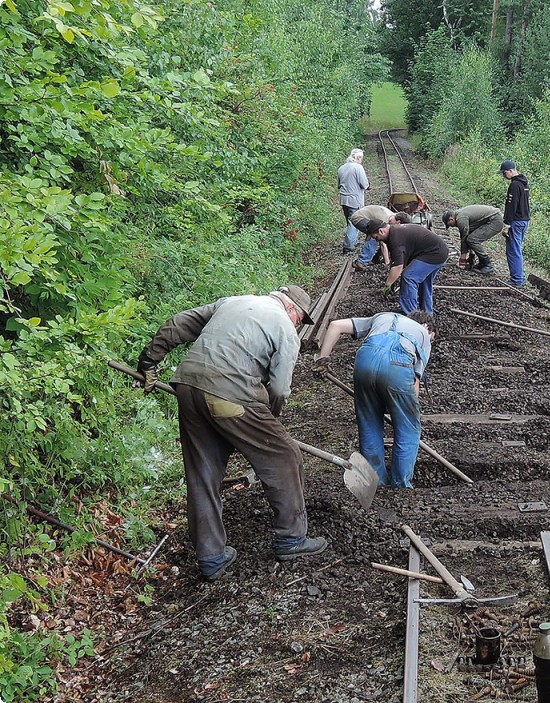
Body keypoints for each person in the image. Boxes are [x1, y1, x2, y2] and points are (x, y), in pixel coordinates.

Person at [135, 286, 326, 581]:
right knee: (285, 457)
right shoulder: (286, 329)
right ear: (292, 310)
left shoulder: (232, 302)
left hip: (188, 387)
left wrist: (149, 361)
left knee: (203, 473)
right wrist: (266, 424)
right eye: (301, 318)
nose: (298, 324)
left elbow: (179, 324)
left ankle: (211, 558)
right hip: (231, 394)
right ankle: (292, 539)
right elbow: (279, 389)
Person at [313, 311, 436, 488]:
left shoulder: (382, 316)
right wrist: (402, 410)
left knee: (369, 421)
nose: (430, 341)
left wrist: (322, 359)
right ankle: (400, 485)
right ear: (427, 328)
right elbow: (414, 384)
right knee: (408, 427)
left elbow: (335, 326)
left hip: (365, 358)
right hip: (398, 365)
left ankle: (375, 480)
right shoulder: (423, 334)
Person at [363, 219, 448, 315]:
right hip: (439, 251)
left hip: (433, 254)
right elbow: (395, 262)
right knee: (424, 283)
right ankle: (427, 315)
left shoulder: (395, 238)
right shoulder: (394, 232)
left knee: (408, 277)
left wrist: (387, 285)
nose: (376, 239)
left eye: (376, 237)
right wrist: (392, 280)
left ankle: (411, 315)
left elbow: (398, 267)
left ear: (381, 231)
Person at [441, 205, 503, 275]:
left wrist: (462, 259)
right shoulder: (459, 215)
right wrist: (471, 255)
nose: (452, 226)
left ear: (451, 219)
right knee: (471, 238)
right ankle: (482, 263)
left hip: (495, 220)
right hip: (492, 218)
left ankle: (488, 265)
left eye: (450, 225)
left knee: (473, 240)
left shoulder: (461, 219)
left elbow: (464, 238)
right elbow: (469, 233)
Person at [499, 159, 530, 287]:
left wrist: (507, 223)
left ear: (511, 171)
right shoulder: (525, 183)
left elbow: (512, 205)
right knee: (517, 249)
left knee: (513, 250)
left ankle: (517, 279)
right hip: (525, 220)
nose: (503, 176)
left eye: (504, 173)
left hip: (516, 221)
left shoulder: (515, 185)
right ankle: (519, 276)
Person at [350, 206, 411, 271]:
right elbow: (383, 245)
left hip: (367, 218)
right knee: (376, 236)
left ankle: (376, 259)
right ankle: (362, 262)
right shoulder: (384, 220)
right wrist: (387, 263)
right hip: (359, 218)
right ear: (398, 222)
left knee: (382, 237)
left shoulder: (392, 216)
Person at [337, 148, 369, 253]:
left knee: (349, 221)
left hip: (343, 198)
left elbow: (339, 185)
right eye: (361, 158)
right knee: (354, 222)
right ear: (358, 157)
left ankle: (352, 240)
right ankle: (348, 246)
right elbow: (364, 184)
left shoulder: (341, 168)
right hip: (354, 199)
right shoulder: (358, 168)